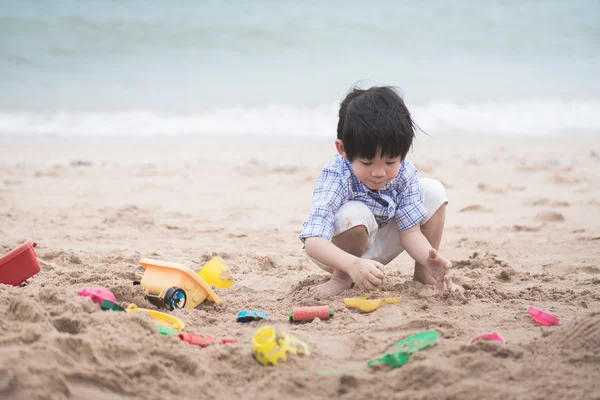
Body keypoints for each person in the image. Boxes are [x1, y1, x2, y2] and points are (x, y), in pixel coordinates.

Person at [299, 85, 461, 297]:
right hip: (337, 252)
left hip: (377, 244)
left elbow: (411, 232)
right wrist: (352, 265)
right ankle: (341, 278)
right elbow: (313, 242)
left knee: (432, 190)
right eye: (367, 162)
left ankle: (425, 273)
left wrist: (429, 260)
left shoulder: (404, 172)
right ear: (343, 150)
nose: (378, 172)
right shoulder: (336, 174)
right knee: (355, 212)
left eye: (390, 161)